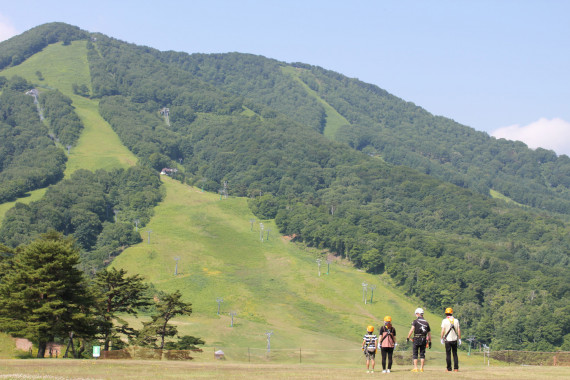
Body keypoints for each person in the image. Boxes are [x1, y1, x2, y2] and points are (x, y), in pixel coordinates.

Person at [406, 307, 431, 372]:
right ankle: (422, 368)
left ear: (418, 314)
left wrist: (408, 337)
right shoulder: (426, 323)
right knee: (422, 353)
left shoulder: (415, 321)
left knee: (415, 353)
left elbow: (412, 330)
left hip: (416, 338)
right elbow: (429, 334)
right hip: (423, 339)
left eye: (416, 314)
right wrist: (430, 341)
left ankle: (416, 368)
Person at [440, 307, 461, 372]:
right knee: (455, 354)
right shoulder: (456, 320)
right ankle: (456, 368)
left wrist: (441, 338)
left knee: (448, 354)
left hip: (448, 340)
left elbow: (443, 330)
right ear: (452, 313)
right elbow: (458, 330)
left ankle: (449, 368)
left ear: (446, 313)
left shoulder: (444, 321)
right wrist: (459, 338)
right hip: (454, 339)